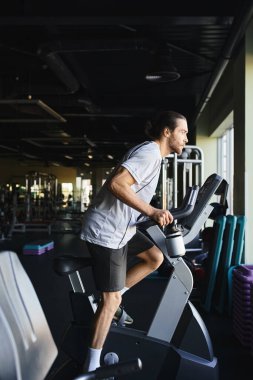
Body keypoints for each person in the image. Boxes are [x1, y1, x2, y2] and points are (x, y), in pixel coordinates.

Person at [80, 110, 188, 372]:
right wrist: (151, 212)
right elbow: (116, 184)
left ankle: (112, 295)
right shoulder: (150, 154)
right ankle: (91, 367)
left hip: (123, 229)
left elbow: (133, 190)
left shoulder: (154, 155)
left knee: (155, 257)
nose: (186, 138)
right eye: (182, 132)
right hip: (107, 233)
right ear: (167, 132)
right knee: (111, 302)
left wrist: (154, 210)